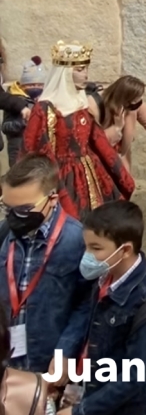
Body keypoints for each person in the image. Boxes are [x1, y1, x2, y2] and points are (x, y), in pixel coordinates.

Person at [69, 200, 146, 415]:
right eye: (86, 246)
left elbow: (135, 377)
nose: (87, 256)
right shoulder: (104, 278)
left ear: (125, 250)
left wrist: (81, 411)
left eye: (95, 248)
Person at [22, 43, 134, 221]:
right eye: (80, 69)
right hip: (62, 177)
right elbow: (36, 150)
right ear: (65, 73)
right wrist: (52, 185)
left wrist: (121, 175)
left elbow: (98, 141)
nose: (86, 75)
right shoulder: (46, 109)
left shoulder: (80, 105)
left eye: (86, 69)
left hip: (91, 172)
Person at [0, 153, 90, 374]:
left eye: (23, 210)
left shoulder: (77, 241)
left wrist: (66, 353)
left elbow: (86, 305)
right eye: (7, 209)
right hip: (6, 361)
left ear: (52, 199)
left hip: (47, 364)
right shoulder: (4, 234)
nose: (13, 218)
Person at [1, 58, 47, 167]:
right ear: (22, 86)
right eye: (31, 85)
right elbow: (5, 127)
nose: (35, 88)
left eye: (39, 85)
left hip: (37, 148)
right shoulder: (13, 102)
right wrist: (24, 123)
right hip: (18, 149)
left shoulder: (43, 101)